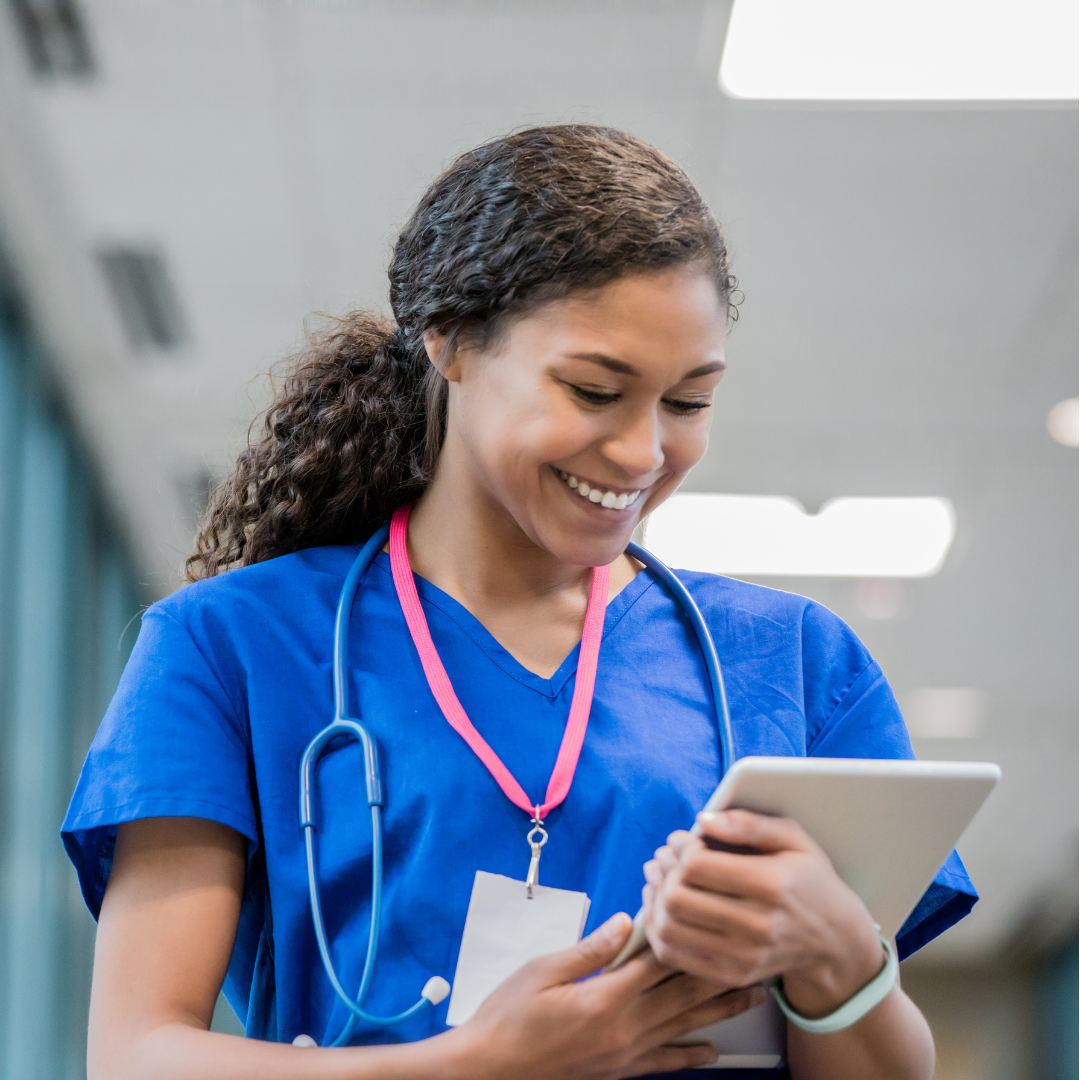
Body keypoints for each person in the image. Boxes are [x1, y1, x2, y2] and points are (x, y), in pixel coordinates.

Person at [62, 125, 975, 1080]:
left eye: (687, 402)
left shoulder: (797, 666)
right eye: (594, 390)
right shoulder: (230, 648)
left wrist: (840, 956)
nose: (641, 452)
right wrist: (474, 1066)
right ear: (449, 342)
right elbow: (134, 1055)